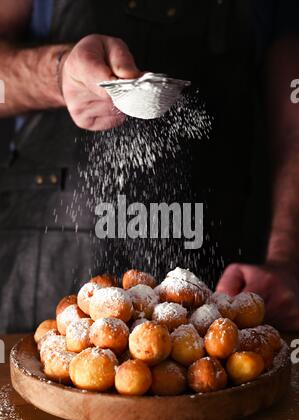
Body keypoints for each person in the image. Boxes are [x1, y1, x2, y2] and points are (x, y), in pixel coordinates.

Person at [0, 0, 298, 332]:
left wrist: (285, 259)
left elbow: (293, 124)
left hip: (212, 277)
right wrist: (58, 75)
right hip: (43, 270)